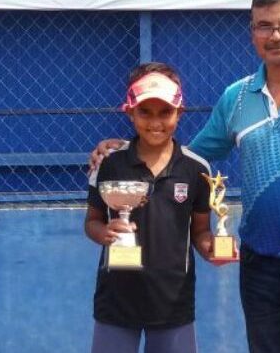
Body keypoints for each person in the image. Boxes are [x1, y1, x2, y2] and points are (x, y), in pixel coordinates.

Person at [89, 0, 280, 353]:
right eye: (264, 26)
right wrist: (125, 149)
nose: (276, 36)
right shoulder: (236, 97)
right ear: (252, 32)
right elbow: (180, 157)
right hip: (260, 269)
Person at [85, 62, 227, 353]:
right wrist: (105, 233)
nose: (155, 122)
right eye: (145, 112)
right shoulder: (109, 163)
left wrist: (213, 247)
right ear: (130, 112)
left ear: (180, 112)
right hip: (116, 300)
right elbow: (92, 222)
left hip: (172, 302)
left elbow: (200, 231)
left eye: (165, 112)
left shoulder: (196, 169)